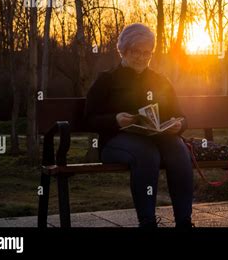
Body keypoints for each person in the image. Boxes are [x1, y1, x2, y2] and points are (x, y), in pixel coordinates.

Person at [83, 23, 193, 228]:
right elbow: (88, 118)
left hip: (157, 140)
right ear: (123, 50)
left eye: (147, 53)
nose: (142, 57)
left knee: (178, 149)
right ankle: (148, 222)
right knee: (145, 153)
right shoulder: (107, 79)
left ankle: (184, 221)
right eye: (136, 51)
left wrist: (179, 124)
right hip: (115, 143)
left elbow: (180, 115)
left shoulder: (160, 80)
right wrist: (115, 119)